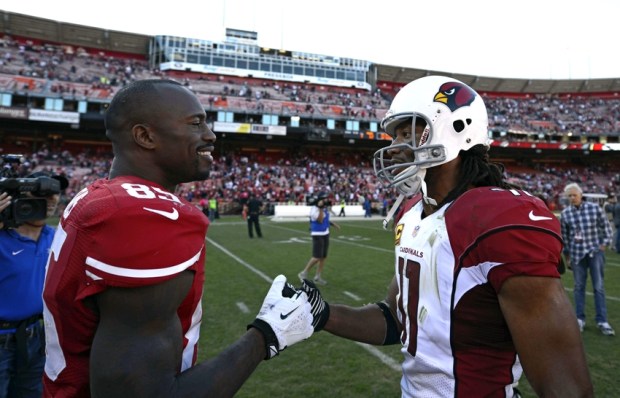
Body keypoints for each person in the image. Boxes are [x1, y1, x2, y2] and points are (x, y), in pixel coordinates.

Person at [298, 76, 593, 397]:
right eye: (394, 135)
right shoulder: (413, 213)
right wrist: (323, 314)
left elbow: (566, 386)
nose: (394, 148)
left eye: (407, 131)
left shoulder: (498, 217)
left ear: (455, 127)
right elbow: (397, 318)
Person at [41, 79, 314, 398]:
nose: (210, 134)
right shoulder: (143, 214)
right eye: (195, 123)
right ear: (145, 136)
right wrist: (268, 333)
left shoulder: (100, 195)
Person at [0, 172, 67, 398]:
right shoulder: (2, 236)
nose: (50, 199)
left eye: (54, 193)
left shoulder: (57, 237)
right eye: (40, 193)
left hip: (35, 338)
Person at [560, 183, 615, 336]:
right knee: (578, 287)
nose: (572, 198)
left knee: (598, 287)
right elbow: (564, 237)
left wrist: (604, 244)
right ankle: (579, 319)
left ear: (580, 194)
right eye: (569, 196)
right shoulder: (565, 214)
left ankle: (602, 320)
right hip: (577, 254)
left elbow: (606, 228)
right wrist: (568, 257)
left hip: (594, 252)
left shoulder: (594, 208)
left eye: (574, 195)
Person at [298, 192, 340, 285]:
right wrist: (320, 208)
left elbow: (325, 219)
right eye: (324, 199)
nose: (326, 200)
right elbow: (320, 220)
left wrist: (333, 224)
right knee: (317, 257)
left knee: (323, 257)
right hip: (317, 233)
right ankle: (303, 273)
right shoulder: (314, 209)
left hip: (325, 233)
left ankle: (318, 276)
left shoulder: (324, 208)